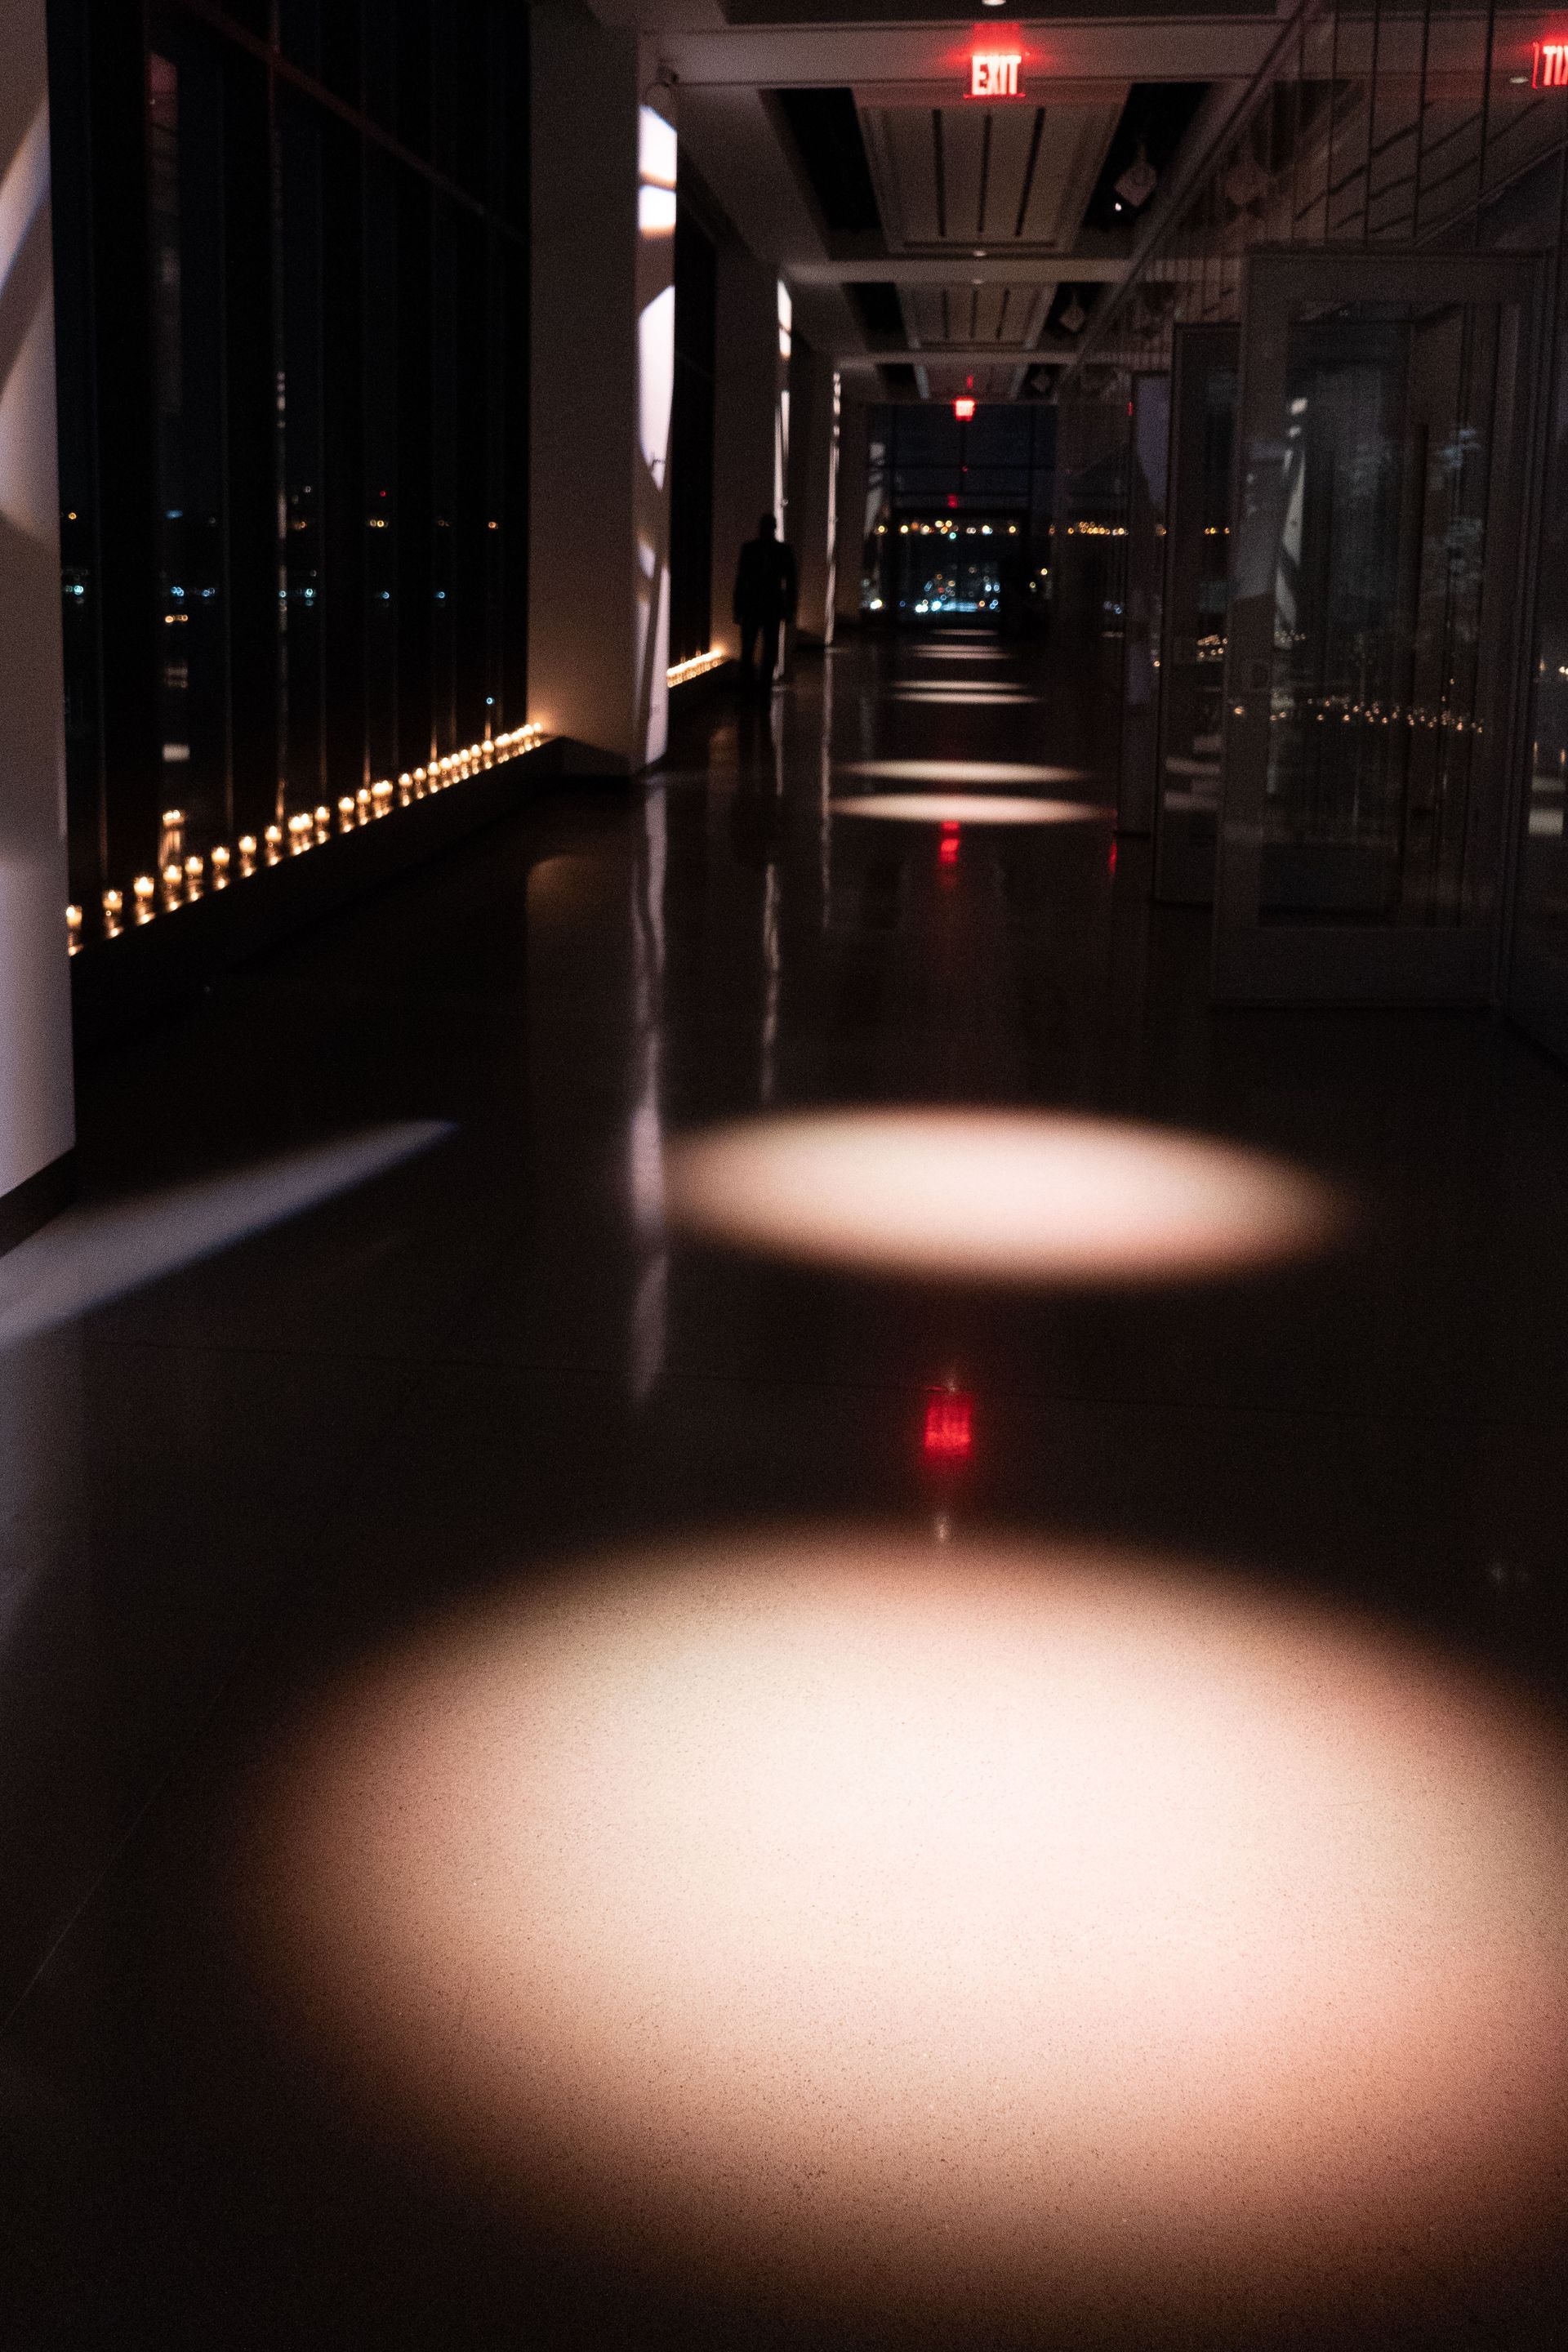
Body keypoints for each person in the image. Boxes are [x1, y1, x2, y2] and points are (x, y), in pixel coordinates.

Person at [733, 514, 798, 693]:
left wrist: (737, 609)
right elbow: (791, 584)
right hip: (771, 607)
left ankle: (749, 691)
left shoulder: (749, 549)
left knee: (749, 650)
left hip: (753, 606)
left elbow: (741, 581)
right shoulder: (783, 551)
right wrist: (790, 610)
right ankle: (763, 692)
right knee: (766, 651)